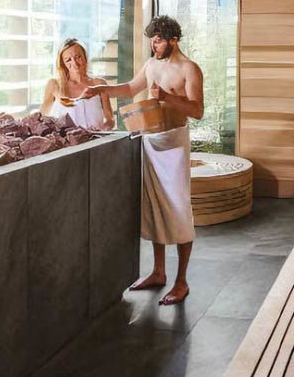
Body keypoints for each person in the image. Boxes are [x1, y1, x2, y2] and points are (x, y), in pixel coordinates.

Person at [81, 16, 203, 305]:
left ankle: (181, 281)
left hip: (174, 142)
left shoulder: (189, 69)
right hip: (151, 138)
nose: (154, 45)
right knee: (155, 206)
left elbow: (197, 110)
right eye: (152, 40)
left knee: (178, 208)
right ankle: (158, 272)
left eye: (158, 40)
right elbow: (129, 89)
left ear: (173, 40)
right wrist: (100, 90)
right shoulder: (151, 65)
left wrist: (166, 98)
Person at [40, 38, 115, 131]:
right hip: (66, 139)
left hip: (96, 138)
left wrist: (103, 130)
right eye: (68, 60)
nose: (75, 63)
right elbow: (42, 118)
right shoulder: (54, 85)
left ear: (85, 57)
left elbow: (110, 120)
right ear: (63, 64)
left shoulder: (99, 84)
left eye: (78, 57)